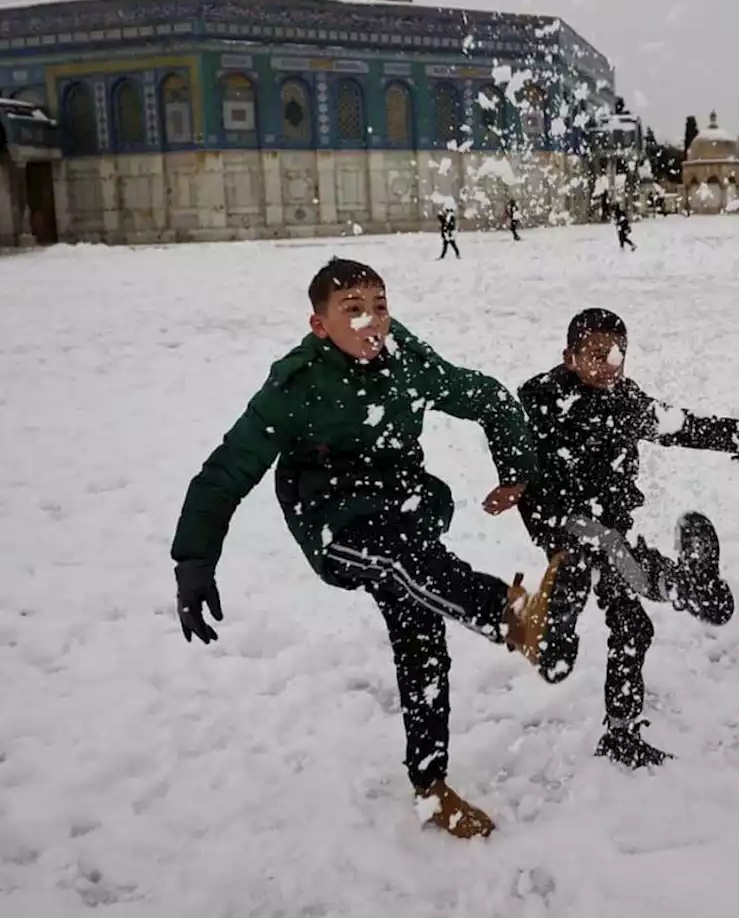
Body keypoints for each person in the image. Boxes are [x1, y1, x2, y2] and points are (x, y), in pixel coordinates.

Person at [169, 257, 565, 840]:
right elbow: (226, 471)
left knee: (422, 636)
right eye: (353, 311)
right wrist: (194, 561)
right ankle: (511, 616)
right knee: (405, 565)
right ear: (320, 325)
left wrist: (516, 471)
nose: (372, 323)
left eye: (379, 307)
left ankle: (432, 787)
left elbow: (484, 396)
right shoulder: (296, 385)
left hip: (401, 506)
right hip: (331, 520)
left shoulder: (404, 357)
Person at [497, 308, 739, 768]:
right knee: (570, 630)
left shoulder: (625, 399)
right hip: (567, 531)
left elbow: (681, 426)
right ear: (569, 356)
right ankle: (684, 585)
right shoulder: (543, 401)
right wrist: (514, 486)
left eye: (617, 353)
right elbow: (514, 450)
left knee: (632, 627)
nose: (609, 363)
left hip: (610, 529)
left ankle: (621, 733)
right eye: (595, 354)